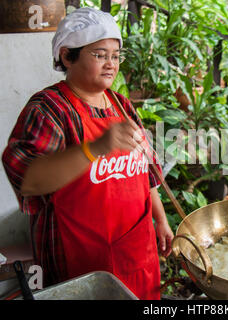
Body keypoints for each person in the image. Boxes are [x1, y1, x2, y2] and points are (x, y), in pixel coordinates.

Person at [2, 7, 174, 300]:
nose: (111, 64)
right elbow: (29, 180)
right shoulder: (48, 109)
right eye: (99, 55)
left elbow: (146, 170)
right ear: (68, 56)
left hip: (138, 251)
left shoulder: (121, 104)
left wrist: (160, 219)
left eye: (115, 55)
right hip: (80, 259)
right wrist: (95, 148)